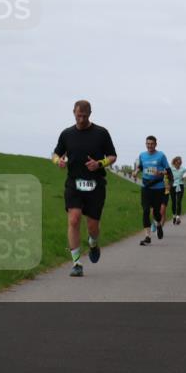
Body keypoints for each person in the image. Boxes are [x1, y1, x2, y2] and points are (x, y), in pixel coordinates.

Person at [52, 100, 117, 277]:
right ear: (73, 112)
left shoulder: (101, 133)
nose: (81, 119)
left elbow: (112, 156)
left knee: (92, 227)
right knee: (74, 219)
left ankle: (93, 243)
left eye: (85, 116)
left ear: (90, 114)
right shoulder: (67, 134)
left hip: (96, 185)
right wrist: (59, 161)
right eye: (78, 115)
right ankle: (76, 263)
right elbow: (55, 154)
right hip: (74, 183)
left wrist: (99, 163)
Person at [132, 136, 172, 246]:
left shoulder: (161, 156)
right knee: (145, 211)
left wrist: (162, 173)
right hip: (146, 187)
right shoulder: (142, 155)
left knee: (156, 213)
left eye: (152, 144)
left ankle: (158, 224)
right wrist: (136, 172)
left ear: (155, 144)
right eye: (148, 143)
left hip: (158, 188)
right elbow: (140, 166)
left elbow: (168, 171)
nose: (149, 146)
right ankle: (147, 236)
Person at [169, 156, 186, 225]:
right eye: (177, 162)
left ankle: (178, 217)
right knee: (173, 201)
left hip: (180, 186)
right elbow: (166, 174)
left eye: (180, 162)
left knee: (179, 201)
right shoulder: (171, 168)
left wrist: (185, 177)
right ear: (174, 162)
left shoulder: (183, 169)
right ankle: (174, 215)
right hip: (172, 186)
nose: (179, 163)